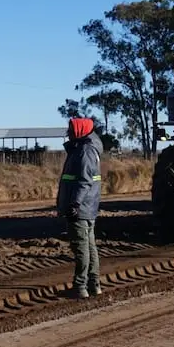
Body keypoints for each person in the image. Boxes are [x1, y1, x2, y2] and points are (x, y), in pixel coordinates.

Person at [56, 117, 102, 297]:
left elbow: (84, 181)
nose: (68, 133)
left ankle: (80, 286)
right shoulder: (85, 149)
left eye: (71, 130)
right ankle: (93, 284)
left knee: (81, 247)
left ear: (80, 131)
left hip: (81, 208)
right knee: (89, 247)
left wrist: (74, 204)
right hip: (87, 206)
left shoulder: (85, 151)